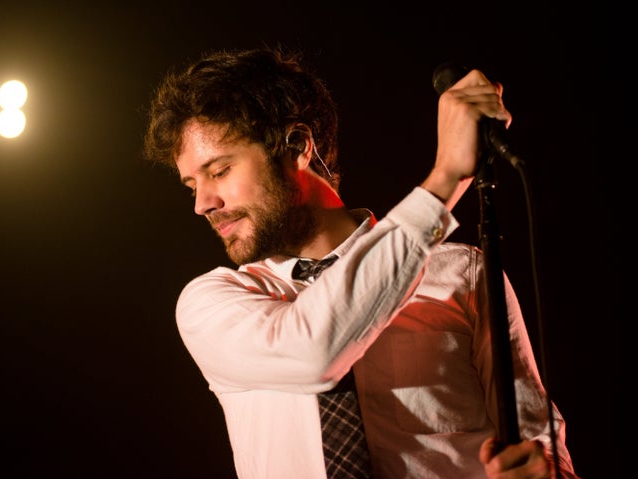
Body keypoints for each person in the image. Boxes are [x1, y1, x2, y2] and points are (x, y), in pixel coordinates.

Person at [142, 47, 579, 479]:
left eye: (218, 171)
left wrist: (547, 472)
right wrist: (446, 175)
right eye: (191, 185)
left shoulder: (462, 272)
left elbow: (540, 441)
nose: (202, 204)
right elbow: (314, 351)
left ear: (297, 145)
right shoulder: (212, 302)